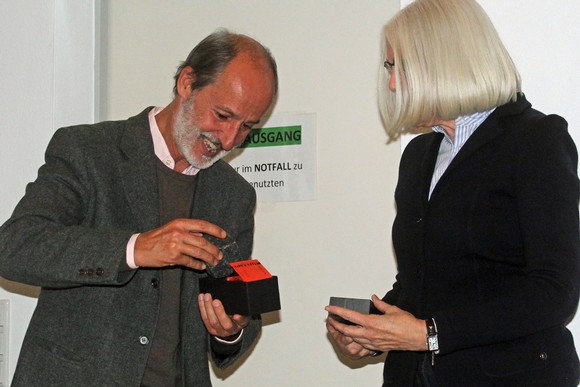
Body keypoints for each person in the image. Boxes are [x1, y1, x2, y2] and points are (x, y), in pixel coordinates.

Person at [0, 29, 278, 386]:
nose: (228, 140)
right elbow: (16, 247)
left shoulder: (234, 195)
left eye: (247, 128)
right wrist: (134, 249)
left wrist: (230, 330)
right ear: (187, 83)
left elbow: (237, 308)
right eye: (223, 115)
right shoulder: (88, 150)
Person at [325, 0, 580, 386]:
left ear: (442, 60)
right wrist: (374, 330)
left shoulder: (534, 140)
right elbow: (422, 281)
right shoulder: (418, 155)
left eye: (400, 67)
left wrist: (430, 333)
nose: (392, 83)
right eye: (389, 68)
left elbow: (554, 291)